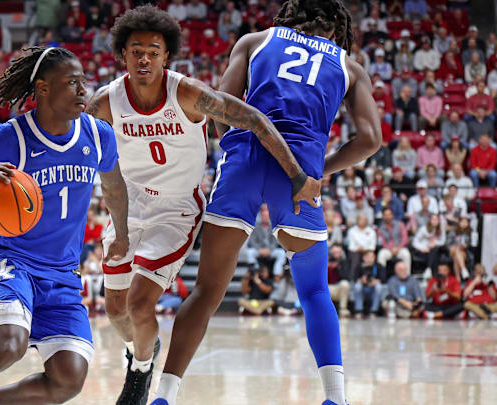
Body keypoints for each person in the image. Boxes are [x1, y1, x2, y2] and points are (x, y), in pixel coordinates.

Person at [84, 6, 321, 403]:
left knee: (140, 304)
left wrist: (297, 175)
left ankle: (141, 370)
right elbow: (93, 166)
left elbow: (256, 119)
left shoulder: (188, 94)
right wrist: (119, 230)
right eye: (136, 50)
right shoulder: (104, 103)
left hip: (176, 209)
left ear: (166, 56)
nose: (144, 58)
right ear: (122, 55)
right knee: (115, 310)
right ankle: (140, 349)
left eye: (153, 51)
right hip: (128, 206)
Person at [150, 1, 382, 404]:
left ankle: (164, 396)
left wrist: (238, 146)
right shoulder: (350, 66)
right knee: (313, 293)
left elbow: (220, 105)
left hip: (243, 160)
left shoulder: (256, 40)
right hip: (299, 175)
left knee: (206, 292)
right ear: (337, 29)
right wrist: (319, 170)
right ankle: (335, 398)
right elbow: (371, 140)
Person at [0, 46, 130, 405]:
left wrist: (122, 235)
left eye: (84, 82)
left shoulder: (98, 135)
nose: (83, 90)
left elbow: (114, 186)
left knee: (69, 379)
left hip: (63, 272)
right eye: (72, 82)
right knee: (8, 347)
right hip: (14, 262)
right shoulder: (10, 137)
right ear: (44, 89)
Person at [248, 204, 287, 276]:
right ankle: (255, 272)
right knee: (250, 252)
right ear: (261, 216)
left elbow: (275, 241)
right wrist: (259, 249)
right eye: (263, 215)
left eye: (267, 215)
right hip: (259, 250)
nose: (265, 217)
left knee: (281, 253)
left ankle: (277, 274)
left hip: (270, 250)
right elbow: (252, 241)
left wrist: (270, 250)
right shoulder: (255, 226)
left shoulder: (273, 226)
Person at [352, 250, 386, 318]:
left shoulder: (378, 266)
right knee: (357, 286)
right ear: (364, 258)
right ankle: (358, 309)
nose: (370, 259)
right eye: (368, 257)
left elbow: (384, 279)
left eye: (372, 257)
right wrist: (361, 280)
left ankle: (374, 310)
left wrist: (375, 281)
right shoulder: (359, 266)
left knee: (379, 287)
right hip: (362, 290)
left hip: (373, 290)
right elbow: (354, 278)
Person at [376, 208, 411, 272]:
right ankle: (382, 278)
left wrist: (398, 248)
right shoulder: (380, 228)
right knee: (381, 254)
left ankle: (407, 276)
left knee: (406, 254)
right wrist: (390, 249)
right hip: (388, 250)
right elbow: (381, 242)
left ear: (392, 215)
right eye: (385, 215)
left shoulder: (400, 224)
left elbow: (405, 239)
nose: (388, 217)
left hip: (400, 248)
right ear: (383, 216)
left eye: (389, 214)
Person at [412, 213, 446, 278]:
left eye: (436, 219)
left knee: (434, 250)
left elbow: (443, 241)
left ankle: (428, 270)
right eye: (433, 219)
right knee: (435, 257)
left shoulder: (441, 229)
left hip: (435, 250)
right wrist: (423, 248)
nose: (435, 221)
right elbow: (415, 242)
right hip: (423, 251)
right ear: (430, 220)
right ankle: (435, 277)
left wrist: (435, 243)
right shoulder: (423, 229)